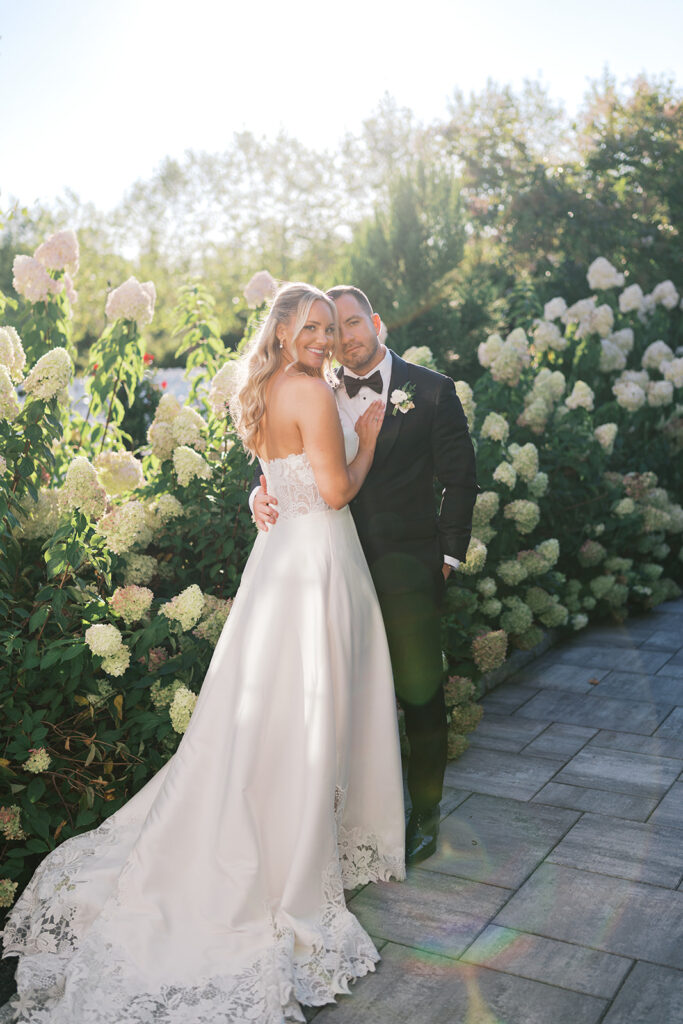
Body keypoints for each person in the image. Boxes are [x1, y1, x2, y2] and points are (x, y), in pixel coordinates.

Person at [0, 283, 406, 1024]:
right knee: (308, 702)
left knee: (274, 706)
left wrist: (260, 495)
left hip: (277, 559)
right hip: (315, 560)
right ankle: (296, 843)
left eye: (327, 327)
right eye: (308, 327)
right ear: (281, 330)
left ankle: (294, 822)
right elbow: (335, 491)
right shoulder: (312, 394)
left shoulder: (263, 391)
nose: (321, 338)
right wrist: (371, 431)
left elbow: (270, 476)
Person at [252, 285, 478, 866]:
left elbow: (461, 478)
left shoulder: (430, 390)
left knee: (419, 693)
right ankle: (348, 818)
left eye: (351, 324)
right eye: (331, 327)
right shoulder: (311, 386)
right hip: (330, 568)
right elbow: (283, 457)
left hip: (406, 569)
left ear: (375, 322)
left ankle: (424, 815)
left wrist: (448, 557)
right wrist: (258, 493)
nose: (342, 339)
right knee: (341, 697)